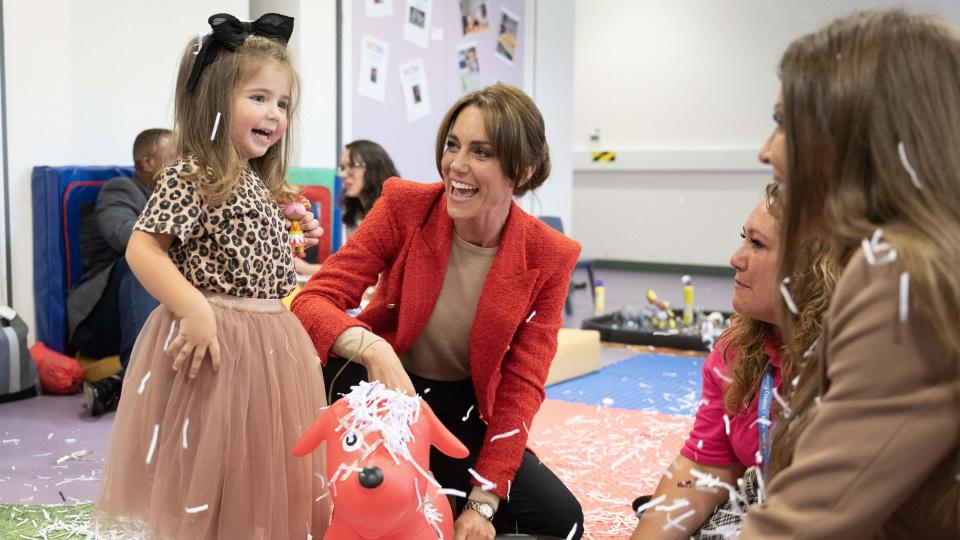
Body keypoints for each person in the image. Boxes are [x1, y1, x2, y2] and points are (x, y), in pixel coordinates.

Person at [292, 83, 585, 540]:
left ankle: (442, 502)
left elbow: (522, 385)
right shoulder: (405, 205)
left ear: (521, 171)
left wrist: (484, 503)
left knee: (560, 521)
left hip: (461, 411)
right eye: (453, 144)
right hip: (378, 394)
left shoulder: (550, 254)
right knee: (380, 499)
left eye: (481, 152)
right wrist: (374, 350)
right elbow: (313, 300)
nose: (457, 165)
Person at [93, 13, 329, 538]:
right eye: (259, 97)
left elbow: (249, 261)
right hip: (218, 344)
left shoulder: (253, 181)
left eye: (283, 103)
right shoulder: (192, 171)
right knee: (208, 473)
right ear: (216, 101)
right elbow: (143, 248)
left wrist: (294, 241)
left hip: (269, 347)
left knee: (258, 468)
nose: (274, 113)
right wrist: (193, 309)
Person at [738, 10, 960, 538]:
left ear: (851, 136)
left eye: (786, 124)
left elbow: (804, 523)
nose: (766, 150)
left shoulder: (900, 271)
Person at [629, 183, 836, 539]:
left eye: (757, 244)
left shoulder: (854, 359)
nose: (736, 258)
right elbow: (703, 467)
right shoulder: (737, 350)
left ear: (807, 268)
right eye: (744, 239)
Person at [68, 128, 175, 415]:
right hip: (100, 321)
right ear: (148, 162)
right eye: (174, 154)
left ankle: (117, 385)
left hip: (152, 312)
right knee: (141, 258)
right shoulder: (120, 189)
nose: (181, 162)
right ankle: (141, 381)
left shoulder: (181, 200)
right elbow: (125, 237)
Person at [292, 139, 398, 278]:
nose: (344, 174)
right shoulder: (357, 217)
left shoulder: (390, 214)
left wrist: (305, 268)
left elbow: (361, 269)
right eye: (343, 168)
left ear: (375, 167)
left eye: (353, 166)